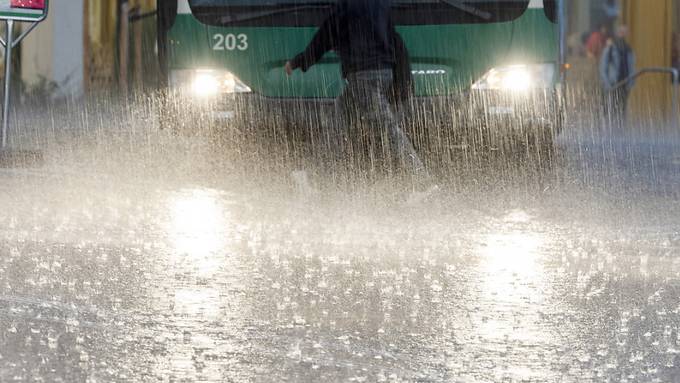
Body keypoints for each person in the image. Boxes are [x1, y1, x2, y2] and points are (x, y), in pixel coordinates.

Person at [284, 0, 428, 182]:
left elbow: (324, 38)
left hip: (363, 77)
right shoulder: (381, 5)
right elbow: (395, 40)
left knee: (388, 131)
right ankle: (314, 176)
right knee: (336, 122)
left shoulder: (346, 6)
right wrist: (401, 78)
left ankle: (423, 183)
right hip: (383, 72)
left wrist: (298, 61)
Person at [599, 25, 635, 125]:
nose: (622, 34)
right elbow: (603, 67)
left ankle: (620, 128)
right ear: (617, 33)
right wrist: (607, 83)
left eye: (624, 32)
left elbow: (631, 66)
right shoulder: (610, 48)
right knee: (612, 108)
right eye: (620, 32)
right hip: (613, 83)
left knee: (622, 108)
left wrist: (631, 83)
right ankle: (611, 128)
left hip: (624, 83)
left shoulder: (628, 49)